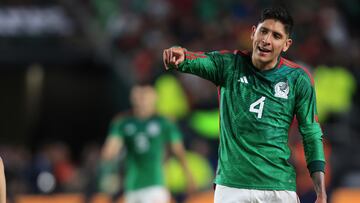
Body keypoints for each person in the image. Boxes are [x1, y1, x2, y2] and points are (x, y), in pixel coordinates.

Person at [163, 7, 326, 203]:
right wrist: (181, 57)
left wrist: (320, 192)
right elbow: (198, 61)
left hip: (278, 187)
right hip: (232, 187)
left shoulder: (297, 79)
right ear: (252, 33)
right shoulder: (229, 65)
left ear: (286, 44)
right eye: (263, 31)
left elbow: (311, 134)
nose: (266, 40)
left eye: (276, 35)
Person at [101, 84, 194, 203]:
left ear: (154, 98)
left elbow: (179, 152)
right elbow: (109, 152)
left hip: (155, 184)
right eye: (138, 96)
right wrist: (109, 170)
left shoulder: (164, 122)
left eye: (145, 96)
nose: (142, 100)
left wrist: (188, 176)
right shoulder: (122, 123)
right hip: (132, 185)